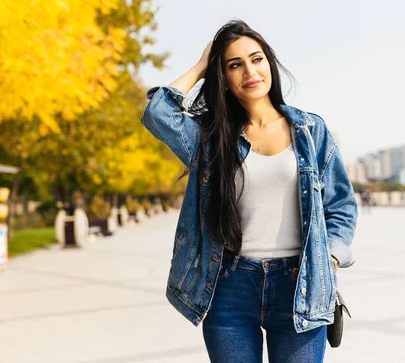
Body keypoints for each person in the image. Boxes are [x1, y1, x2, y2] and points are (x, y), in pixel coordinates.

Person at [141, 20, 357, 363]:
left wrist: (328, 259)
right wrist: (200, 67)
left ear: (270, 63)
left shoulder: (310, 130)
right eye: (234, 64)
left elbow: (341, 206)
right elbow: (158, 113)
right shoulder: (211, 140)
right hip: (229, 287)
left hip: (300, 286)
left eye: (256, 59)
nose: (249, 71)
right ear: (223, 80)